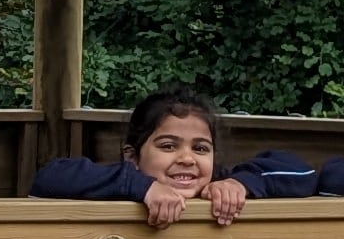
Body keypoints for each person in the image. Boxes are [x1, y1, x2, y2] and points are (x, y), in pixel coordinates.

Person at [29, 87, 257, 229]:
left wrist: (240, 184)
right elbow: (48, 177)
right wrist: (144, 187)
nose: (187, 159)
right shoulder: (120, 182)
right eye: (168, 146)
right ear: (132, 156)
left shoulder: (219, 182)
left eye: (200, 149)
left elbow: (290, 168)